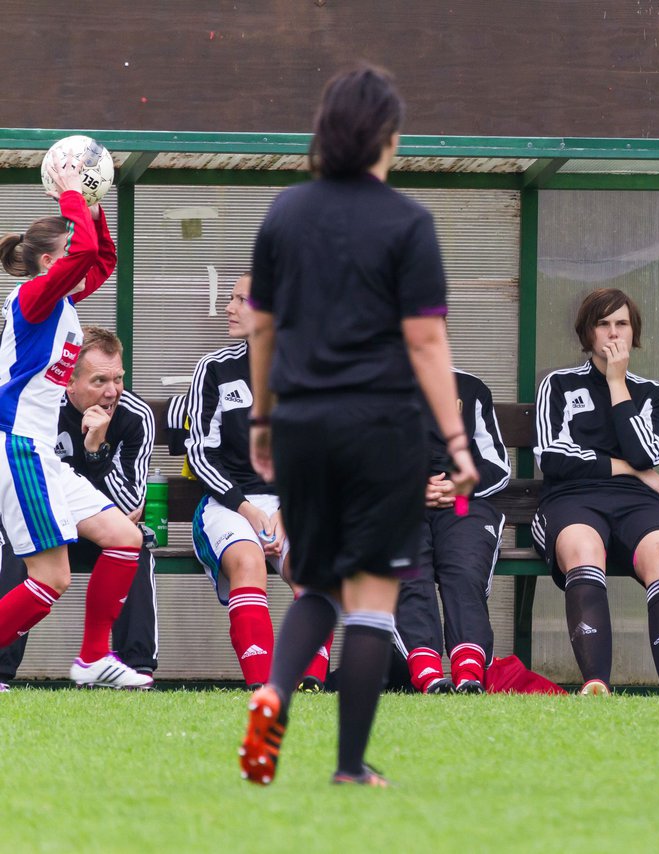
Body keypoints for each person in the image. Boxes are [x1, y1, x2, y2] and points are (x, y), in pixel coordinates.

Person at [239, 65, 478, 788]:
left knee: (316, 585)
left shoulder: (284, 214)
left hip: (303, 424)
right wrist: (458, 441)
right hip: (382, 428)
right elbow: (426, 343)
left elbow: (262, 330)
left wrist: (262, 419)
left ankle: (274, 694)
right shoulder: (408, 222)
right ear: (387, 138)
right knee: (372, 598)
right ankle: (348, 767)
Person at [0, 154, 150, 688]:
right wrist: (68, 193)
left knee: (123, 539)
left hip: (40, 452)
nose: (76, 262)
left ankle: (92, 659)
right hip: (17, 445)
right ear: (47, 262)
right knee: (52, 577)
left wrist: (92, 200)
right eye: (65, 254)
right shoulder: (35, 299)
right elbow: (84, 250)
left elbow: (101, 256)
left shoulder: (60, 300)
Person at [532, 287, 659, 697]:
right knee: (584, 548)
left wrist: (618, 383)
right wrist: (627, 468)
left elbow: (647, 452)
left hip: (636, 504)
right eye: (602, 324)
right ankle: (596, 683)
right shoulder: (558, 385)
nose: (612, 334)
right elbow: (553, 457)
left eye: (621, 324)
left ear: (633, 331)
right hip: (572, 499)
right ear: (586, 332)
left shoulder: (653, 395)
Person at [186, 272, 331, 690]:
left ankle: (310, 682)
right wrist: (246, 509)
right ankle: (262, 684)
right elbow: (199, 451)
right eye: (230, 298)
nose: (229, 308)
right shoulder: (215, 369)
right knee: (250, 562)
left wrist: (286, 513)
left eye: (241, 300)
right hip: (227, 505)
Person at [0, 326, 159, 684]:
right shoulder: (39, 408)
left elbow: (132, 502)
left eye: (118, 378)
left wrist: (97, 451)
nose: (112, 391)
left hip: (97, 530)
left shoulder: (134, 415)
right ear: (68, 382)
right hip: (45, 525)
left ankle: (134, 668)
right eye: (99, 380)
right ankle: (2, 671)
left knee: (133, 544)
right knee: (18, 548)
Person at [390, 369, 510, 695]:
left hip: (462, 502)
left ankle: (469, 670)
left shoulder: (470, 388)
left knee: (464, 568)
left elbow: (497, 464)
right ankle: (427, 672)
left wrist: (459, 485)